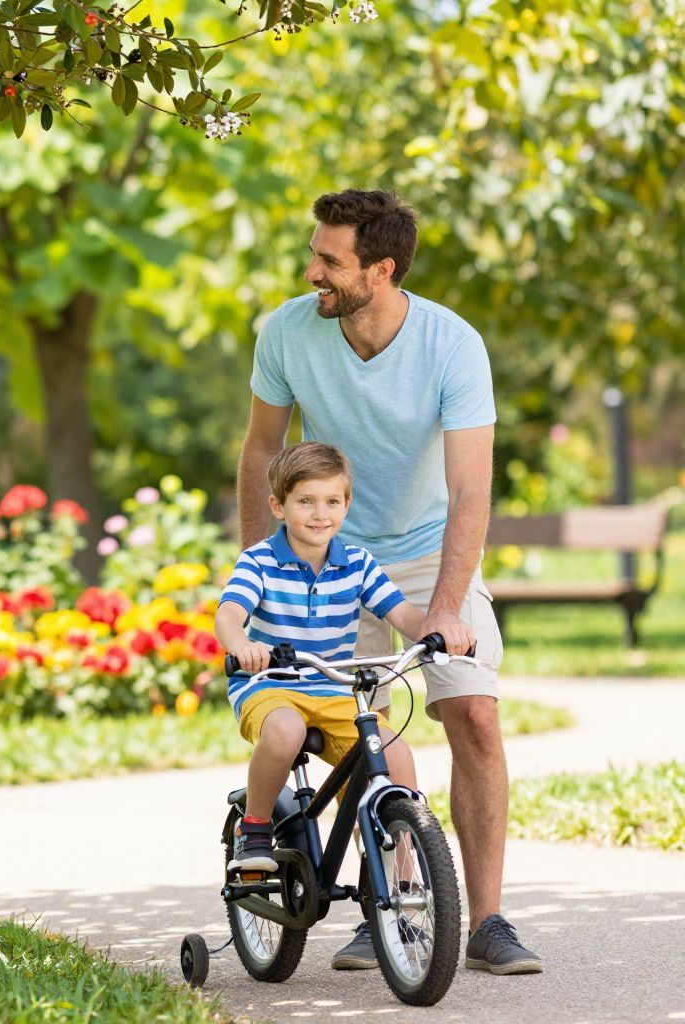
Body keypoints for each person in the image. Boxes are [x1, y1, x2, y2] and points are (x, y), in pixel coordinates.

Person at [237, 189, 540, 974]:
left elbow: (472, 488)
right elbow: (258, 450)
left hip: (425, 554)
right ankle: (390, 907)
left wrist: (446, 604)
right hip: (325, 554)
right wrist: (262, 576)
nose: (312, 272)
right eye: (314, 254)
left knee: (472, 712)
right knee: (361, 729)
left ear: (382, 268)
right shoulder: (288, 334)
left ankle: (489, 922)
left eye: (329, 261)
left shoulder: (451, 344)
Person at [216, 442, 427, 871]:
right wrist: (242, 645)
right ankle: (255, 828)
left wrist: (438, 633)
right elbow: (228, 615)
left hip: (331, 686)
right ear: (278, 506)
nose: (320, 514)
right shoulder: (258, 561)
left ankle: (409, 872)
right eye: (306, 502)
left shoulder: (357, 563)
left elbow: (402, 613)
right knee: (285, 730)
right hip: (269, 685)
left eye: (332, 501)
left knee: (394, 751)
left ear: (347, 505)